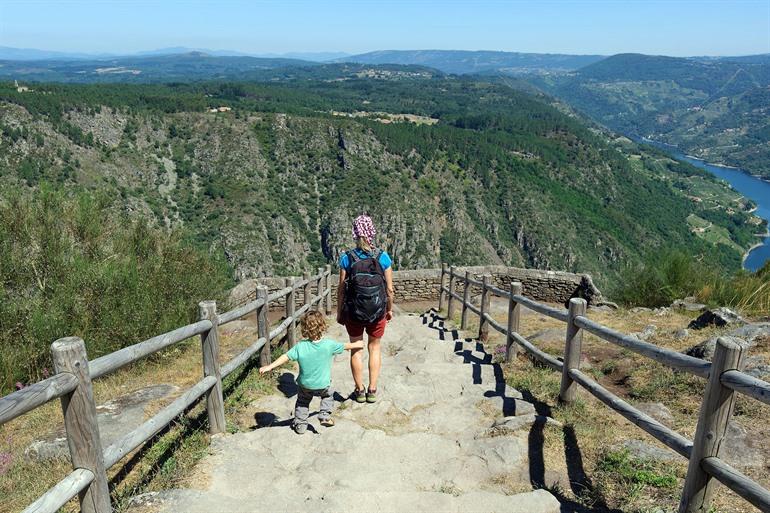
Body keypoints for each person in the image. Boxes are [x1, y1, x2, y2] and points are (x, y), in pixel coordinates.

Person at [259, 310, 363, 434]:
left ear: (304, 328)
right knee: (328, 396)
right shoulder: (328, 345)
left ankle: (301, 425)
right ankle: (324, 414)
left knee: (302, 402)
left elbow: (285, 356)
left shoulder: (300, 346)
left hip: (305, 385)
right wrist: (357, 344)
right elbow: (345, 346)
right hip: (323, 384)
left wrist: (270, 366)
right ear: (322, 326)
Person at [336, 214, 395, 404]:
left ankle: (359, 390)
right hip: (378, 311)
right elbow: (390, 289)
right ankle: (372, 389)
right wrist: (389, 309)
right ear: (372, 232)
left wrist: (339, 312)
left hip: (354, 312)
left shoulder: (347, 258)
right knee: (374, 347)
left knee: (356, 349)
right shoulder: (382, 257)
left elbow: (341, 290)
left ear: (355, 232)